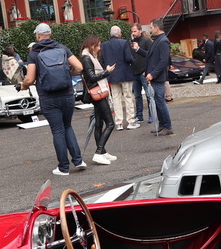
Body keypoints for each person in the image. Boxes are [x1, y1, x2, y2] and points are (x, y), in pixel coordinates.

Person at [18, 23, 86, 176]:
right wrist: (70, 74)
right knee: (67, 126)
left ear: (38, 35)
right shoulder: (62, 48)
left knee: (58, 130)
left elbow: (30, 78)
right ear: (50, 33)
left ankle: (63, 167)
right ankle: (78, 160)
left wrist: (23, 86)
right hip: (67, 93)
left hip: (48, 97)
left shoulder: (34, 53)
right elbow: (79, 67)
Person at [80, 35, 117, 164]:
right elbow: (91, 76)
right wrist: (107, 72)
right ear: (92, 46)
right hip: (97, 92)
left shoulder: (90, 57)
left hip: (97, 92)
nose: (100, 48)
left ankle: (102, 151)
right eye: (98, 45)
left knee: (99, 124)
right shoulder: (87, 58)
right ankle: (99, 152)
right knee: (110, 124)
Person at [101, 25, 135, 130]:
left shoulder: (104, 45)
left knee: (116, 98)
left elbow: (103, 60)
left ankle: (119, 123)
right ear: (119, 34)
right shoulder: (124, 42)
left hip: (112, 74)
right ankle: (130, 122)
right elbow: (128, 58)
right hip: (125, 74)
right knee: (128, 97)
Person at [146, 19, 174, 136]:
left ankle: (167, 126)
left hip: (157, 77)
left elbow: (163, 61)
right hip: (154, 77)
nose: (150, 29)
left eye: (151, 27)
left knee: (161, 102)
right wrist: (137, 50)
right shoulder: (158, 40)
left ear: (157, 28)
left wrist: (153, 74)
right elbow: (151, 56)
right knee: (158, 102)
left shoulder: (163, 41)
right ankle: (162, 125)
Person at [129, 23, 151, 127]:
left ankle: (151, 115)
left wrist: (147, 70)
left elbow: (150, 56)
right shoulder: (132, 42)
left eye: (135, 31)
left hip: (143, 72)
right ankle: (139, 116)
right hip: (134, 72)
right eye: (132, 31)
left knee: (148, 95)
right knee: (137, 96)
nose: (133, 33)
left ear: (140, 31)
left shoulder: (146, 41)